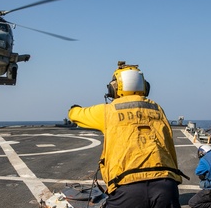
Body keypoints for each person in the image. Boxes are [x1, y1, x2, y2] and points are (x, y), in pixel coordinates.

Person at [68, 61, 186, 208]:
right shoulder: (157, 109)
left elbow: (76, 115)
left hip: (128, 186)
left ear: (114, 88)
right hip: (166, 184)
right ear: (145, 87)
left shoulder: (108, 111)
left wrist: (74, 108)